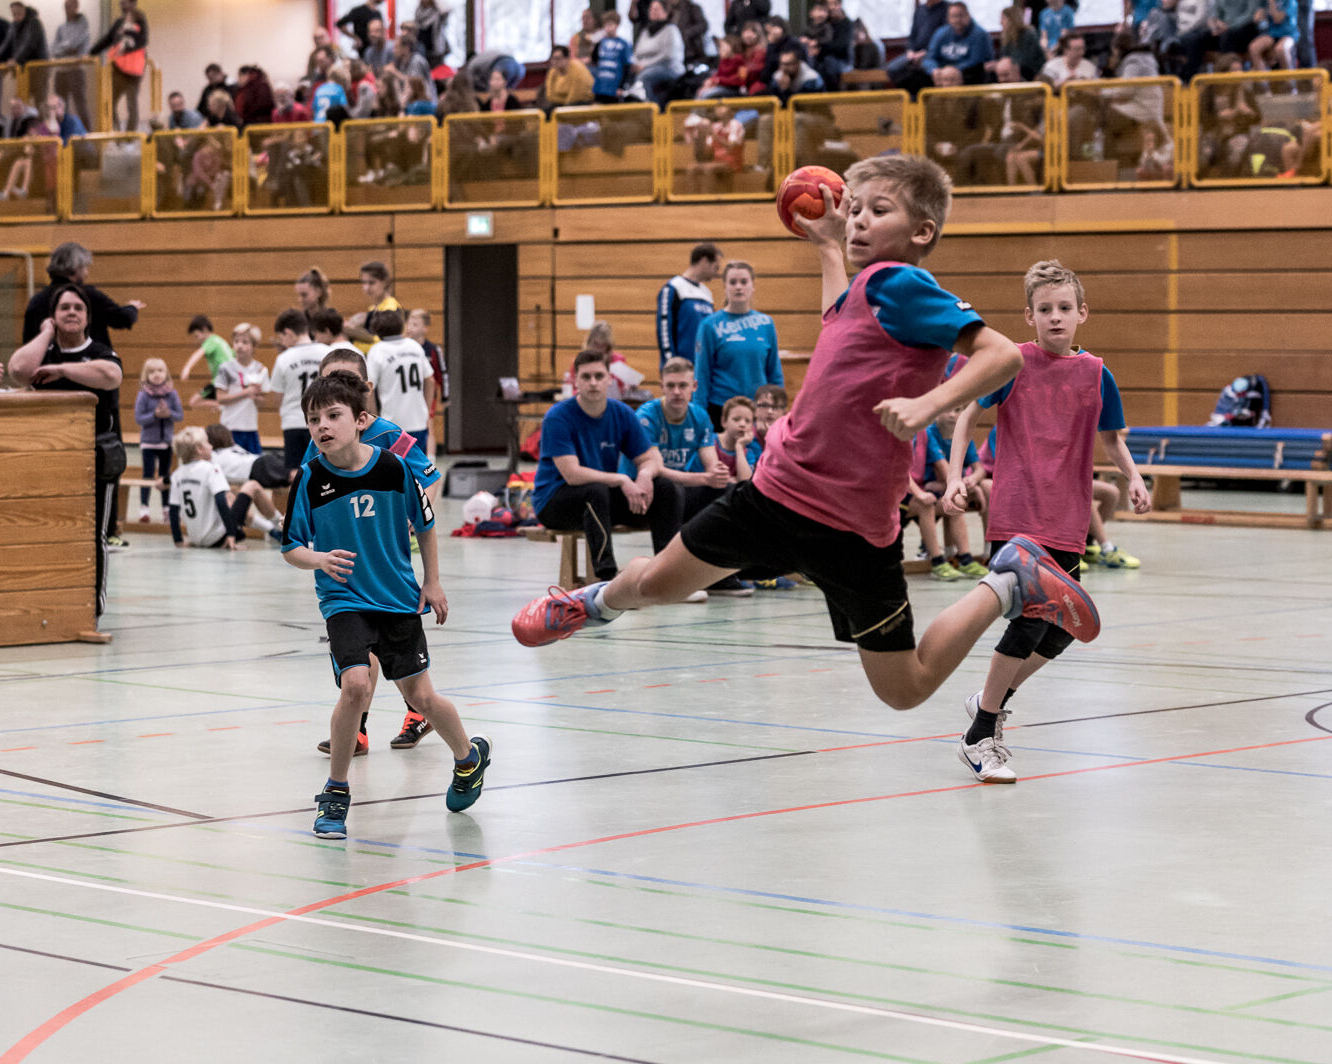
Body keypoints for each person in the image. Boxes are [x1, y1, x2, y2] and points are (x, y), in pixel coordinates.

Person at [511, 155, 1102, 735]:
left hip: (855, 528)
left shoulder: (903, 284)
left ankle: (1009, 583)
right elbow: (836, 315)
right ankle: (587, 605)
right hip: (780, 493)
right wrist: (825, 245)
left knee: (905, 687)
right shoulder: (868, 288)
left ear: (922, 232)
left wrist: (928, 406)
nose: (859, 220)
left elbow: (1000, 354)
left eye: (879, 210)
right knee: (659, 585)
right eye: (856, 209)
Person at [943, 260, 1149, 782]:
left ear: (1082, 313)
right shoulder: (1013, 364)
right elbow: (967, 415)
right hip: (1018, 517)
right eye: (1044, 309)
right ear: (1029, 317)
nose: (1055, 317)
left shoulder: (1097, 374)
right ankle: (979, 736)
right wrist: (954, 478)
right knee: (1032, 620)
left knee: (1063, 630)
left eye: (1064, 308)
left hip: (1068, 518)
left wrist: (1134, 477)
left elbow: (1112, 439)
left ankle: (990, 698)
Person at [282, 370, 491, 838]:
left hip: (396, 599)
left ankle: (469, 758)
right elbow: (291, 546)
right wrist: (319, 559)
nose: (322, 426)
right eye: (314, 419)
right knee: (355, 685)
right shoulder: (310, 478)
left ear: (361, 420)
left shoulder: (395, 469)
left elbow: (427, 524)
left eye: (332, 416)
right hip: (343, 600)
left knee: (421, 698)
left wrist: (432, 582)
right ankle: (336, 792)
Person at [305, 346, 443, 756]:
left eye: (345, 381)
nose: (334, 389)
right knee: (358, 651)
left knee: (386, 641)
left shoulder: (387, 435)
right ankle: (359, 728)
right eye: (328, 380)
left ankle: (416, 711)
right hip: (342, 566)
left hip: (384, 557)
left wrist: (413, 519)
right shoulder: (321, 438)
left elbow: (429, 479)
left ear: (364, 389)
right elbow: (308, 491)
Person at [8, 283, 122, 617]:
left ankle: (92, 607)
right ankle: (52, 602)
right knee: (47, 529)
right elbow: (18, 371)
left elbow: (111, 375)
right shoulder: (43, 351)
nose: (72, 313)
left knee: (93, 533)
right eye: (64, 308)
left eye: (78, 308)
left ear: (87, 317)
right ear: (53, 316)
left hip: (94, 458)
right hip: (49, 458)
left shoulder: (99, 351)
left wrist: (61, 370)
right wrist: (46, 333)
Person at [533, 349, 684, 584]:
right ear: (575, 381)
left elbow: (650, 458)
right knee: (596, 492)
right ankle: (606, 579)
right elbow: (572, 475)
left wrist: (644, 475)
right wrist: (622, 479)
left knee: (665, 488)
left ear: (610, 380)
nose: (593, 382)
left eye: (599, 376)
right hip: (555, 502)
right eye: (586, 377)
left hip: (600, 498)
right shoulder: (558, 417)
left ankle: (667, 576)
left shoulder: (621, 413)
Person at [692, 261, 783, 429]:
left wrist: (778, 408)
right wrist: (699, 415)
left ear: (753, 286)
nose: (738, 287)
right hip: (721, 410)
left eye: (744, 282)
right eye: (733, 282)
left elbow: (774, 373)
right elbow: (702, 373)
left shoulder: (766, 323)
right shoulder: (709, 325)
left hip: (757, 411)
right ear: (725, 287)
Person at [167, 426, 273, 550]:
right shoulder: (211, 468)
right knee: (247, 488)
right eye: (207, 443)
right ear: (199, 449)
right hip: (217, 538)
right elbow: (221, 502)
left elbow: (173, 510)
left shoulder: (177, 474)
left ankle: (271, 528)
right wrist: (231, 534)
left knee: (230, 492)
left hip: (195, 539)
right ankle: (274, 529)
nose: (211, 446)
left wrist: (178, 540)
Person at [267, 308, 329, 477]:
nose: (282, 342)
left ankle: (299, 496)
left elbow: (277, 398)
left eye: (282, 337)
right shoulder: (326, 352)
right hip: (322, 420)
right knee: (324, 468)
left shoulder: (284, 358)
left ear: (288, 332)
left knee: (296, 471)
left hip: (293, 421)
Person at [366, 308, 433, 450]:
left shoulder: (378, 350)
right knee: (417, 461)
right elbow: (430, 380)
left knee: (394, 462)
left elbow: (368, 387)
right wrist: (426, 410)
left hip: (392, 424)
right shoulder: (415, 346)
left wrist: (374, 418)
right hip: (418, 421)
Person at [203, 322, 270, 455]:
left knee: (254, 463)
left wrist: (256, 397)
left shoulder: (261, 369)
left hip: (250, 427)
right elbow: (220, 398)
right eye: (236, 341)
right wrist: (246, 392)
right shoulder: (225, 368)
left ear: (254, 346)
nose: (240, 345)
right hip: (230, 427)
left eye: (245, 342)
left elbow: (262, 403)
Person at [656, 241, 721, 368]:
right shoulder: (674, 287)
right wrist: (670, 364)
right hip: (681, 369)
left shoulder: (707, 293)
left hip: (704, 367)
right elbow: (664, 329)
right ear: (704, 261)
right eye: (715, 268)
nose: (716, 274)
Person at [133, 357, 182, 522]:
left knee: (165, 477)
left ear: (166, 373)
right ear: (146, 375)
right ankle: (144, 508)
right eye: (152, 371)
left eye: (160, 371)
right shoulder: (143, 395)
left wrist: (168, 414)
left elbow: (179, 415)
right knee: (147, 475)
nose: (156, 374)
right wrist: (154, 415)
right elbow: (139, 418)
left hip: (166, 444)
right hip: (148, 443)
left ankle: (166, 509)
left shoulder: (172, 394)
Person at [630, 0, 685, 109]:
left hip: (669, 67)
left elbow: (668, 55)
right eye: (651, 9)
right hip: (646, 67)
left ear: (665, 12)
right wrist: (636, 64)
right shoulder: (646, 31)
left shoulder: (671, 29)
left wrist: (645, 66)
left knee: (645, 76)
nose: (653, 11)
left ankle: (654, 110)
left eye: (657, 9)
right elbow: (637, 52)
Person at [924, 2, 994, 85]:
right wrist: (934, 69)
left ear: (968, 16)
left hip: (969, 74)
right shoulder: (940, 33)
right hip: (942, 74)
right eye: (953, 16)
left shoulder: (979, 34)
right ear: (948, 18)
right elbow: (930, 58)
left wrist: (951, 71)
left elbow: (976, 61)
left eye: (960, 15)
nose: (957, 20)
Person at [51, 0, 93, 132]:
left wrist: (65, 46)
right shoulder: (61, 28)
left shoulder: (83, 26)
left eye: (69, 7)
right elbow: (53, 49)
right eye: (65, 7)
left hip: (76, 70)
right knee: (61, 108)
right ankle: (64, 135)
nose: (66, 9)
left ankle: (88, 136)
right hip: (61, 71)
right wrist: (67, 47)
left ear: (76, 7)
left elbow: (75, 43)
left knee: (81, 106)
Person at [591, 11, 634, 103]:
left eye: (610, 25)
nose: (608, 28)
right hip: (600, 87)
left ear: (617, 25)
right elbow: (594, 61)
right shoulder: (600, 43)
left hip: (615, 87)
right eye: (605, 25)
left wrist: (622, 86)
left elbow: (627, 66)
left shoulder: (623, 44)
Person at [179, 314, 234, 385]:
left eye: (197, 336)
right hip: (229, 378)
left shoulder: (211, 341)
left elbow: (199, 353)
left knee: (202, 393)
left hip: (224, 379)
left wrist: (187, 367)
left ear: (205, 330)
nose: (197, 340)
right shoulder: (219, 340)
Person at [540, 44, 594, 114]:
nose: (555, 61)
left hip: (581, 103)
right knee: (543, 113)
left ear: (567, 58)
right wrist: (561, 103)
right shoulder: (553, 71)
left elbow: (576, 96)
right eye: (553, 58)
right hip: (561, 104)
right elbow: (550, 96)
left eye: (558, 58)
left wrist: (563, 104)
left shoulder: (577, 69)